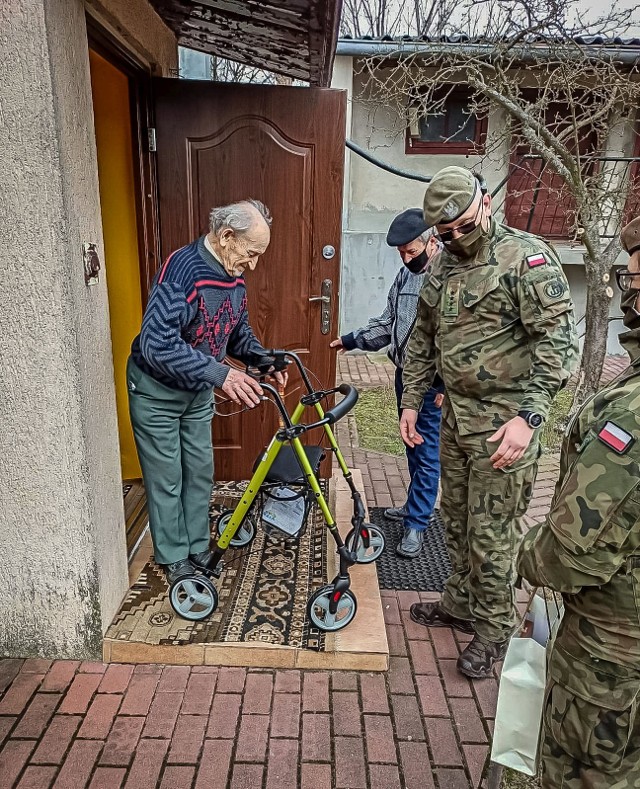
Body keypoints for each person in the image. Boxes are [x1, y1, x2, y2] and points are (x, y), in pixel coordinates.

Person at [402, 166, 578, 678]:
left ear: (484, 203)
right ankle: (460, 603)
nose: (455, 239)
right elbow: (422, 338)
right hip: (455, 419)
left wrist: (530, 417)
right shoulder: (442, 266)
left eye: (461, 227)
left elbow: (556, 345)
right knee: (455, 520)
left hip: (506, 427)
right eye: (444, 233)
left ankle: (495, 629)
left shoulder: (527, 259)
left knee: (492, 531)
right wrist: (411, 399)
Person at [516, 216, 640, 788]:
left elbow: (570, 551)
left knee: (585, 774)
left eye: (633, 280)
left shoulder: (628, 420)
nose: (625, 292)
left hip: (609, 658)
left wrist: (527, 561)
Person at [127, 199, 285, 585]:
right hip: (156, 392)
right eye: (252, 253)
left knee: (199, 472)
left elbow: (235, 333)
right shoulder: (181, 270)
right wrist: (222, 375)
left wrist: (264, 360)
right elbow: (156, 344)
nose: (254, 264)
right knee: (167, 477)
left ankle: (197, 546)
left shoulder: (233, 274)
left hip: (197, 390)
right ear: (227, 236)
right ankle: (173, 556)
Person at [330, 209, 444, 558]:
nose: (407, 258)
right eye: (401, 253)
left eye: (411, 251)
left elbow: (457, 341)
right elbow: (388, 321)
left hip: (431, 385)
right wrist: (351, 340)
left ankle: (417, 524)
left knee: (426, 453)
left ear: (432, 242)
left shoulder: (448, 279)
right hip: (404, 377)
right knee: (411, 446)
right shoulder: (405, 277)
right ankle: (413, 507)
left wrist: (443, 387)